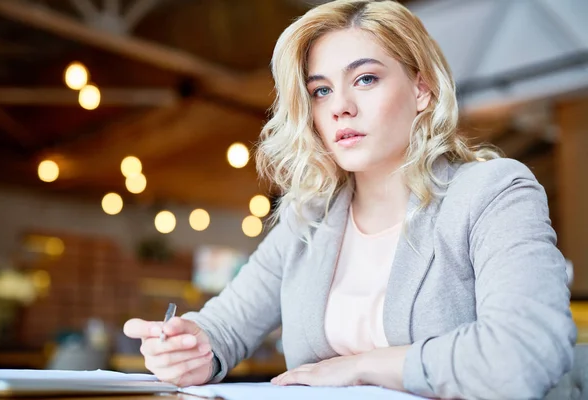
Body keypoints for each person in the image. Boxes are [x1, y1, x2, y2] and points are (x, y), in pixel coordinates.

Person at [123, 1, 577, 398]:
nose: (339, 106)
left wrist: (361, 367)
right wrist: (190, 349)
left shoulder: (492, 192)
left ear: (422, 89)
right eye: (321, 90)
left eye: (364, 79)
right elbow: (222, 329)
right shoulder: (310, 219)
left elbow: (524, 354)